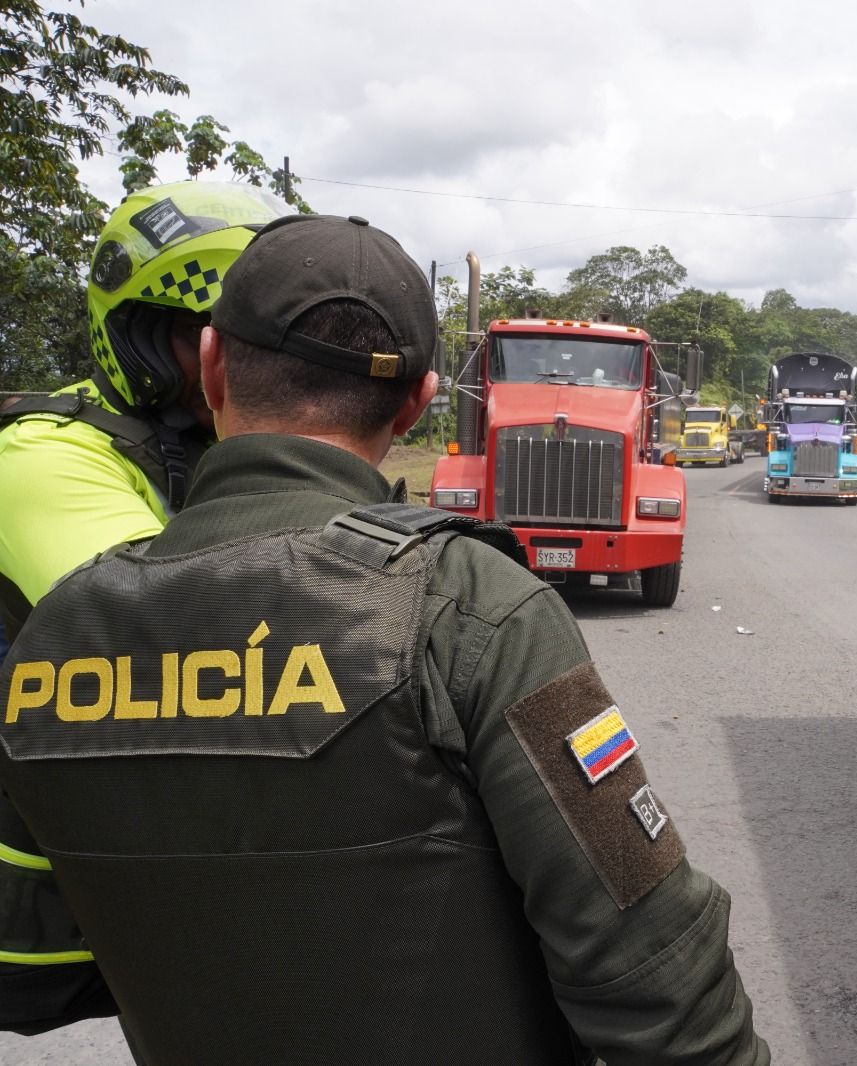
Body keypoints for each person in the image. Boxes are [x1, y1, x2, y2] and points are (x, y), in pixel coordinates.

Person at [0, 214, 768, 1065]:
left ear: (213, 365)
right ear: (419, 401)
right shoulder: (471, 607)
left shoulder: (62, 624)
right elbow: (653, 970)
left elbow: (26, 974)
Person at [0, 181, 293, 1035]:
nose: (227, 374)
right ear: (135, 335)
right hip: (36, 915)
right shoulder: (44, 460)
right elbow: (195, 636)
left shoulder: (205, 459)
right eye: (204, 340)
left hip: (138, 894)